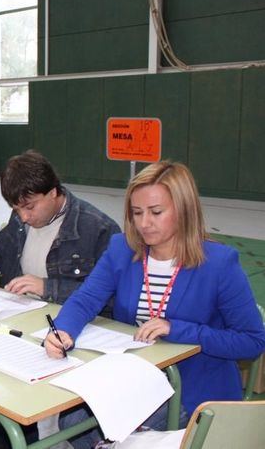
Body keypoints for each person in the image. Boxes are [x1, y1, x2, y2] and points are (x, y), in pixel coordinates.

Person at [45, 161, 265, 449]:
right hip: (135, 375)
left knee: (94, 431)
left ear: (184, 210)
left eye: (156, 212)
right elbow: (86, 299)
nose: (143, 223)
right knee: (71, 422)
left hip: (190, 388)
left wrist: (178, 329)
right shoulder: (122, 249)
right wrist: (63, 331)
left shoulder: (219, 264)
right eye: (136, 213)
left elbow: (253, 341)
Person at [0, 150, 121, 449]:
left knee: (17, 396)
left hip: (70, 336)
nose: (23, 216)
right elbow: (3, 240)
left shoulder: (98, 228)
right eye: (16, 208)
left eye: (29, 207)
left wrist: (49, 287)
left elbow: (108, 298)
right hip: (21, 322)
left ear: (53, 191)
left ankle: (25, 440)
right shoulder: (21, 217)